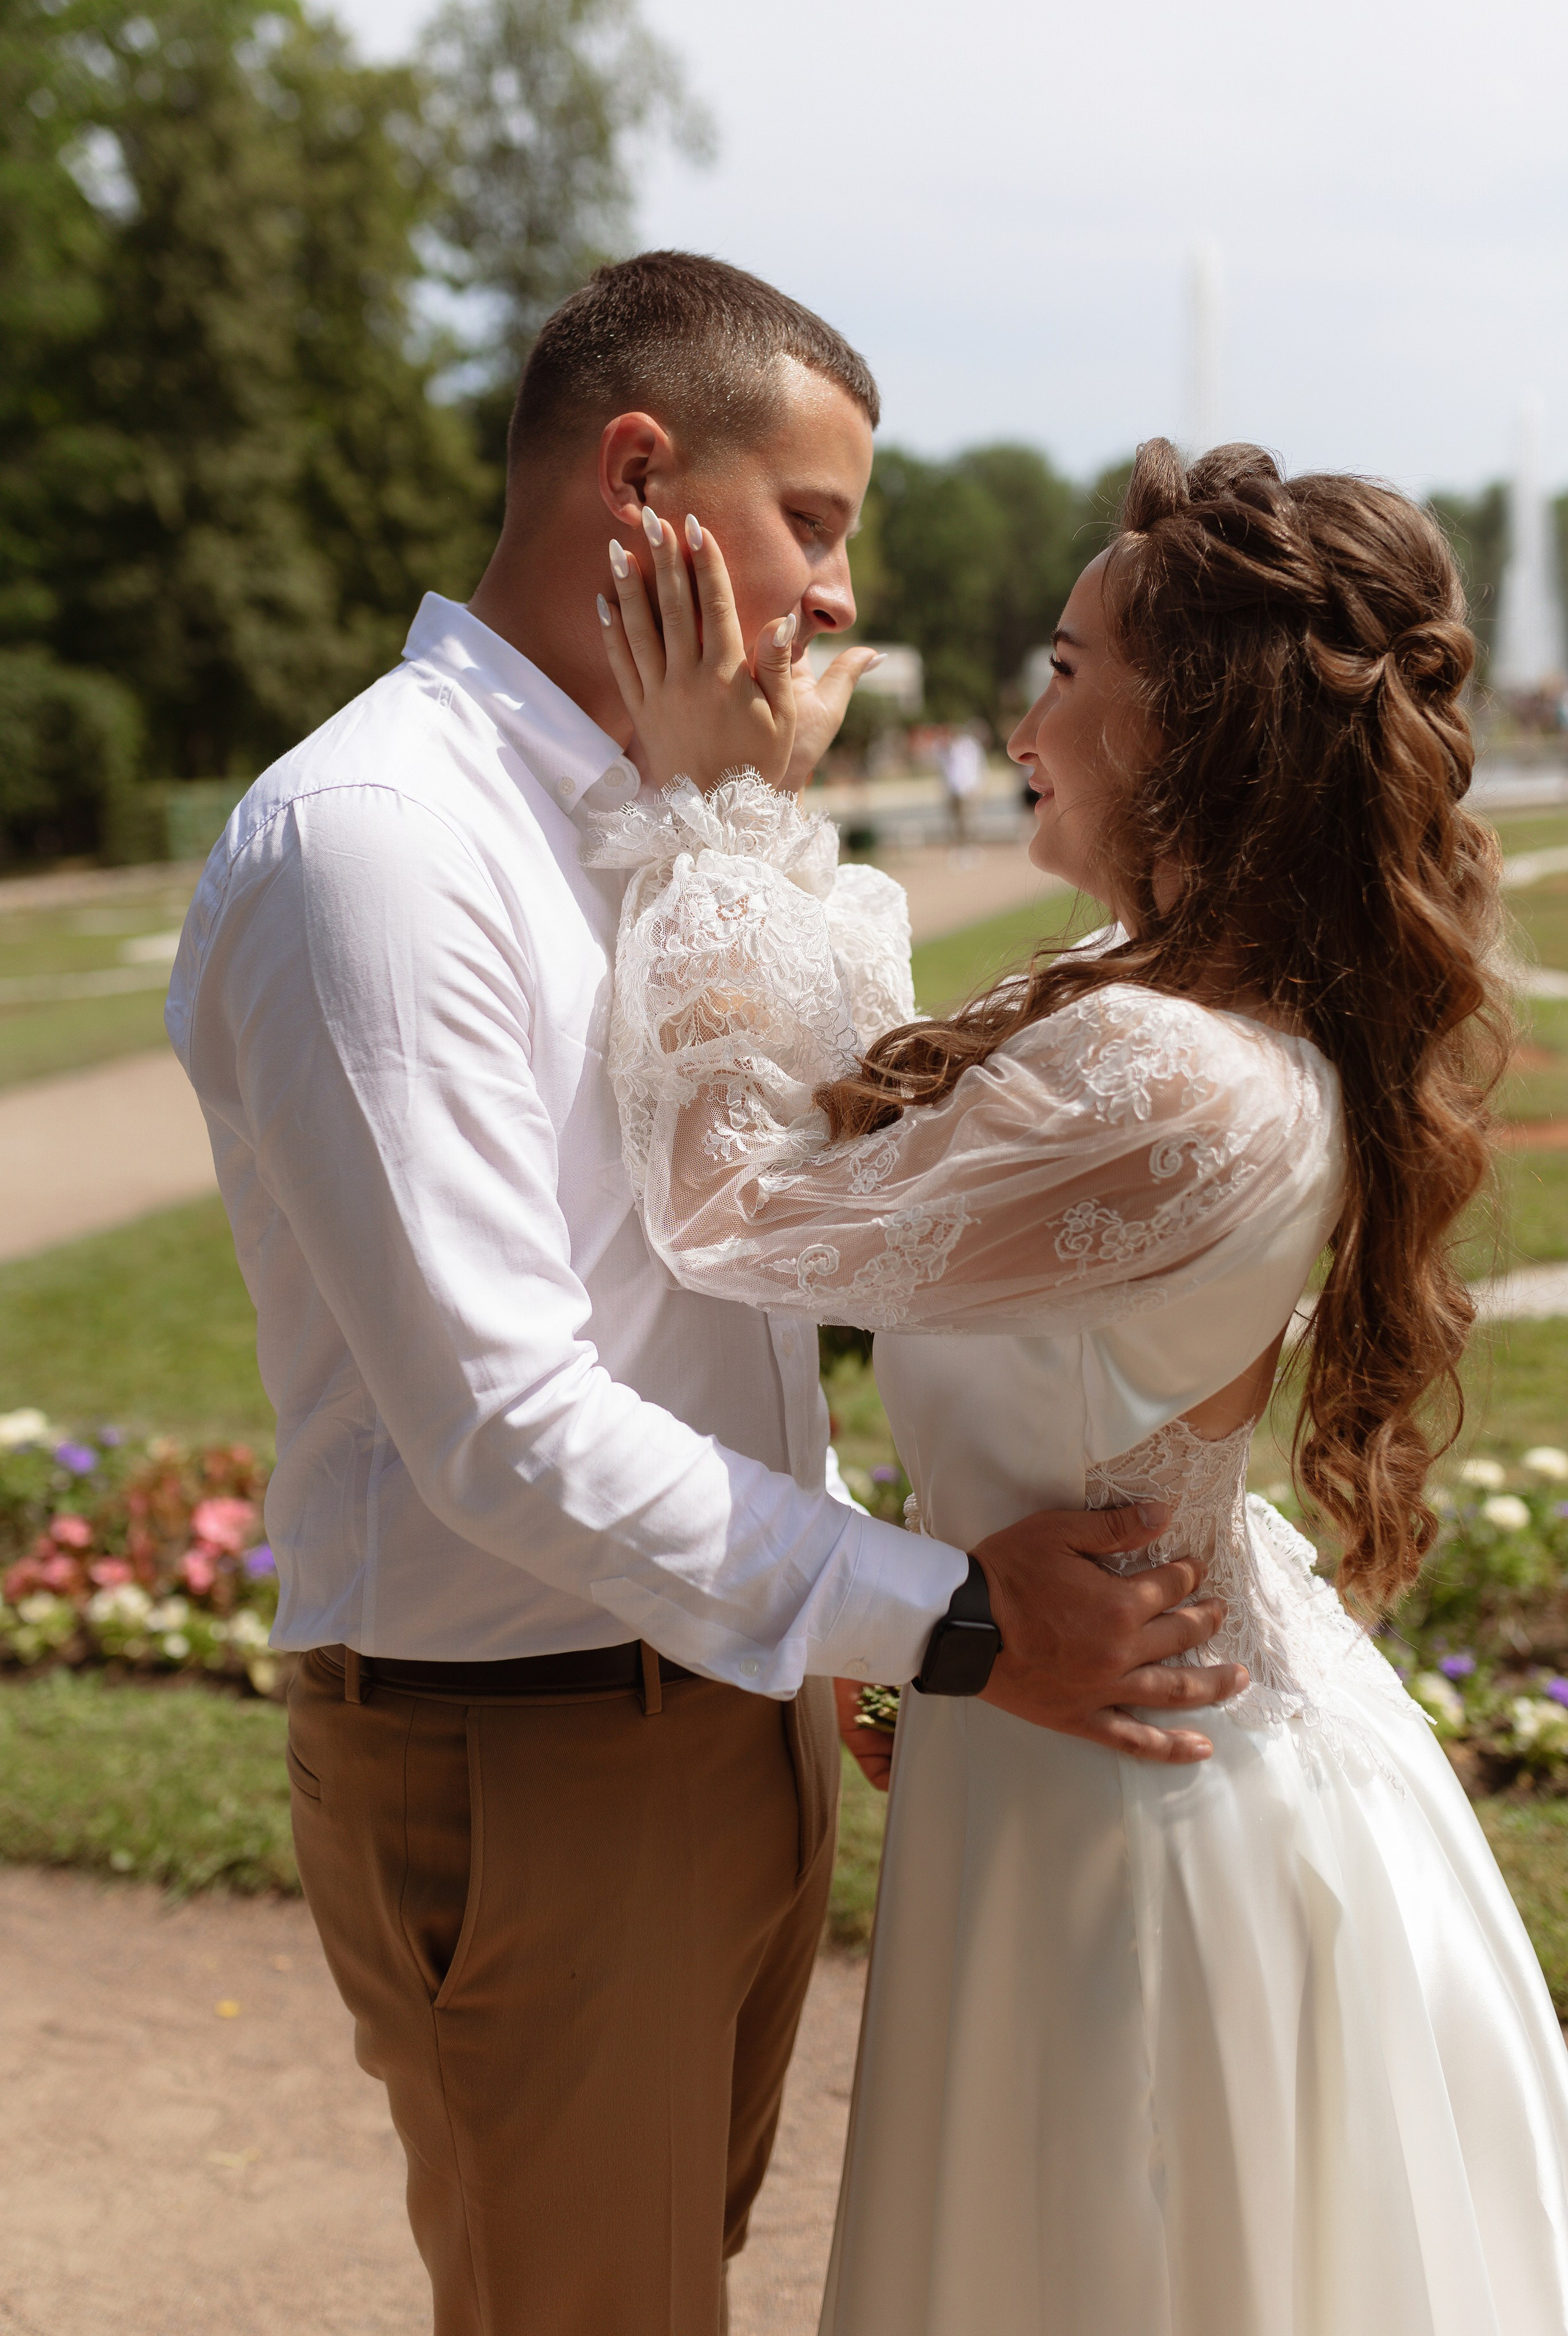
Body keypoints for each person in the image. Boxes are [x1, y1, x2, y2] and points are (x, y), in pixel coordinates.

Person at [165, 259, 1248, 2336]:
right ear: (641, 476)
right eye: (816, 522)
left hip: (717, 1717)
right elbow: (506, 1425)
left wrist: (734, 811)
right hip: (539, 1747)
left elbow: (822, 1199)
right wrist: (950, 1621)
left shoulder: (640, 813)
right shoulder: (381, 843)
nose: (841, 597)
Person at [592, 438, 1568, 2333]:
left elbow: (737, 1205)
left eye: (1061, 668)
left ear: (1188, 724)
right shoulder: (1169, 997)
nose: (1027, 714)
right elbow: (870, 1128)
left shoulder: (1172, 1068)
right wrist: (935, 1589)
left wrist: (710, 804)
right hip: (1085, 1708)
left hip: (1135, 1815)